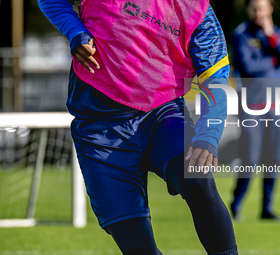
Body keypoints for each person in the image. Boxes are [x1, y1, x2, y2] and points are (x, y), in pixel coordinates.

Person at [38, 0, 238, 254]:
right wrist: (75, 31)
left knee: (197, 178)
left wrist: (207, 137)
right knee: (137, 246)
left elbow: (216, 82)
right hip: (99, 129)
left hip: (162, 117)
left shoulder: (197, 10)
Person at [230, 0, 280, 220]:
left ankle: (266, 209)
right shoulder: (242, 34)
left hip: (277, 106)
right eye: (255, 8)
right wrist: (273, 60)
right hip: (252, 107)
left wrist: (271, 39)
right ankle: (236, 204)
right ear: (251, 10)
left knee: (273, 159)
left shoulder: (278, 33)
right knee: (250, 158)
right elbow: (248, 67)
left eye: (263, 8)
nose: (259, 13)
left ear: (270, 9)